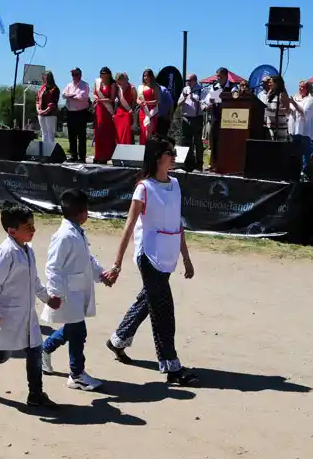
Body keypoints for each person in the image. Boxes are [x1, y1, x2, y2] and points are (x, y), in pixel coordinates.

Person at [104, 136, 199, 386]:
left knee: (149, 299)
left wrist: (186, 257)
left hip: (168, 255)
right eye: (170, 152)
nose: (174, 156)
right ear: (158, 157)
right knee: (163, 308)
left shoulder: (176, 185)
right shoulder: (144, 188)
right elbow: (129, 226)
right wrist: (117, 263)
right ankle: (171, 366)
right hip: (149, 256)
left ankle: (118, 339)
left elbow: (177, 223)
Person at [0, 203, 61, 408]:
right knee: (0, 354)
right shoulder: (5, 253)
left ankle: (35, 394)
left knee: (35, 350)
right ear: (12, 230)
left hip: (26, 314)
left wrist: (47, 298)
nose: (33, 230)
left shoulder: (28, 251)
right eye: (28, 227)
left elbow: (34, 281)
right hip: (7, 315)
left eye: (33, 225)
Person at [40, 190, 114, 391]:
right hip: (66, 293)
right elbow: (52, 267)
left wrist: (101, 275)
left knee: (73, 329)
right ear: (81, 213)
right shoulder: (64, 236)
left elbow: (87, 259)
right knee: (78, 332)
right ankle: (77, 374)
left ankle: (44, 350)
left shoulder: (78, 232)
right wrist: (54, 294)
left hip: (77, 291)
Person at [203, 67, 235, 167]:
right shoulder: (214, 87)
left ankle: (226, 162)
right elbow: (209, 100)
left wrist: (220, 98)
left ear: (226, 76)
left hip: (229, 119)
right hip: (216, 117)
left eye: (220, 76)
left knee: (226, 141)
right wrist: (209, 103)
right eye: (217, 76)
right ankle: (213, 163)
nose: (218, 78)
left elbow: (235, 99)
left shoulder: (233, 87)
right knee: (213, 139)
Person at [177, 73, 205, 171]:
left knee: (197, 141)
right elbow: (179, 103)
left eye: (189, 80)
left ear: (194, 80)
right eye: (186, 80)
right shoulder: (185, 89)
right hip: (185, 118)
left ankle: (199, 163)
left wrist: (195, 100)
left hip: (197, 118)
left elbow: (204, 103)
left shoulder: (201, 89)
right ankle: (188, 162)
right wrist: (184, 98)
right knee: (186, 141)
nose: (187, 82)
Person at [62, 68, 90, 163]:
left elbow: (82, 97)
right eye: (73, 75)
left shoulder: (84, 85)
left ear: (80, 75)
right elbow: (63, 94)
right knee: (71, 135)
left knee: (81, 136)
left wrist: (70, 96)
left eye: (76, 74)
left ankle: (82, 157)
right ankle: (73, 155)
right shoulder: (69, 85)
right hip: (71, 113)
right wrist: (72, 95)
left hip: (81, 112)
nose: (74, 77)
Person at [264, 75, 300, 143]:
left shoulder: (282, 95)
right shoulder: (269, 94)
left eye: (271, 82)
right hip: (270, 126)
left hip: (279, 127)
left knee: (279, 147)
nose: (269, 84)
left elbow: (288, 111)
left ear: (277, 83)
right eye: (269, 82)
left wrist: (276, 110)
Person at [289, 80, 313, 165]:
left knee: (306, 156)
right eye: (299, 86)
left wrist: (294, 103)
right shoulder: (295, 97)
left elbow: (304, 113)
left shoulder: (311, 100)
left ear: (308, 89)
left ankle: (307, 173)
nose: (300, 88)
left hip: (304, 132)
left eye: (302, 87)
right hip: (293, 130)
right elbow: (290, 112)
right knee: (294, 155)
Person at [92, 67, 117, 164]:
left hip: (107, 111)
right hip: (99, 109)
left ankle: (106, 156)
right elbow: (94, 93)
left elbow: (112, 98)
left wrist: (100, 100)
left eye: (106, 75)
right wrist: (96, 98)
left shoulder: (113, 84)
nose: (104, 76)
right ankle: (98, 155)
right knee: (98, 133)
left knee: (107, 134)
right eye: (102, 74)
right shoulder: (98, 82)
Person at [138, 68, 161, 145]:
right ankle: (142, 153)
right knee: (143, 132)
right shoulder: (140, 87)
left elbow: (157, 101)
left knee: (149, 133)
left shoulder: (155, 87)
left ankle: (149, 152)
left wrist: (146, 102)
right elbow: (137, 99)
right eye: (144, 76)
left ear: (151, 76)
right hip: (142, 112)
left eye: (147, 76)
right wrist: (139, 102)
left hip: (151, 112)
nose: (146, 77)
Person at [36, 71, 60, 144]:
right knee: (44, 132)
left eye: (45, 77)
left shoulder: (55, 88)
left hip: (50, 114)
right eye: (43, 77)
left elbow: (53, 102)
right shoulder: (42, 88)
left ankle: (50, 151)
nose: (43, 79)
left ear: (49, 78)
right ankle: (44, 150)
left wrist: (45, 111)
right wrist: (38, 110)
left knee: (50, 133)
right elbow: (37, 99)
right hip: (41, 114)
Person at [114, 72, 136, 145]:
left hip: (128, 112)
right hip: (119, 111)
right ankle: (118, 148)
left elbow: (134, 102)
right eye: (119, 79)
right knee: (118, 132)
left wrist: (132, 112)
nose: (120, 81)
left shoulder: (132, 88)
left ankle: (127, 146)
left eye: (123, 79)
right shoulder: (117, 88)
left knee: (127, 130)